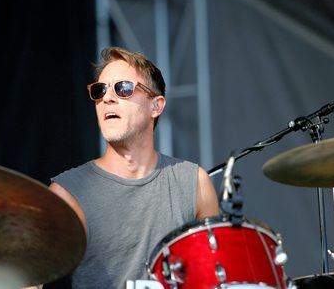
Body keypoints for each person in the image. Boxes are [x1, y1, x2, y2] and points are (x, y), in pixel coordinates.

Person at [46, 46, 219, 288]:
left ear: (156, 106)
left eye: (123, 88)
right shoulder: (67, 194)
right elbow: (28, 279)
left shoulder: (195, 183)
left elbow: (217, 276)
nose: (107, 98)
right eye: (100, 90)